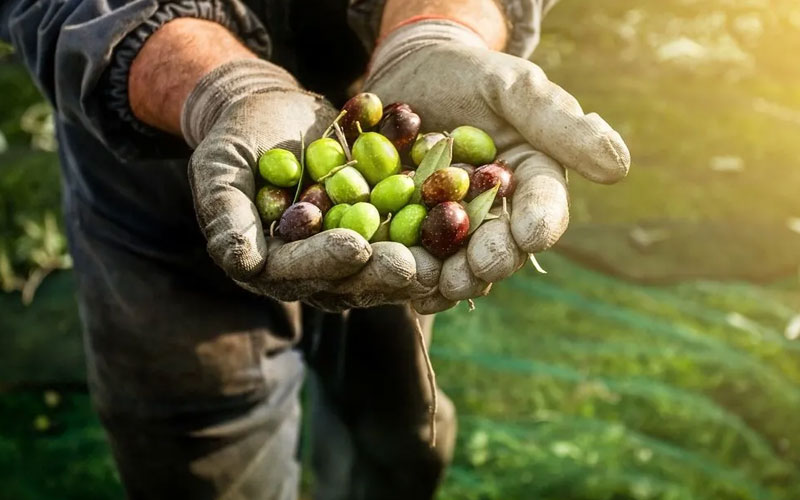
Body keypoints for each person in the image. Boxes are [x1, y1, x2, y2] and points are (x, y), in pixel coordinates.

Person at [1, 0, 629, 498]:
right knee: (199, 451)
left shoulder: (396, 181)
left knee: (396, 429)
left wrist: (437, 28)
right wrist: (223, 87)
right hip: (152, 168)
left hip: (375, 127)